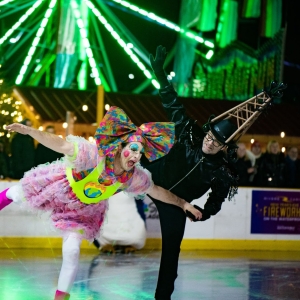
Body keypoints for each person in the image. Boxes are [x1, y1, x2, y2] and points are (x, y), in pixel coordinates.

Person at [0, 106, 201, 300]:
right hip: (59, 186)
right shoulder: (94, 155)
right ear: (120, 147)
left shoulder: (133, 177)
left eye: (140, 153)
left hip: (82, 212)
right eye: (132, 149)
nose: (136, 156)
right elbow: (60, 144)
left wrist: (183, 204)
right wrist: (29, 131)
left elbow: (156, 191)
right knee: (16, 194)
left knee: (71, 251)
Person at [141, 45, 240, 299]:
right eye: (210, 135)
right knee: (120, 160)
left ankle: (162, 297)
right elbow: (172, 102)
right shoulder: (189, 135)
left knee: (171, 252)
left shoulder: (220, 173)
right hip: (152, 178)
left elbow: (215, 201)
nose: (209, 141)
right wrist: (160, 73)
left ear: (223, 147)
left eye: (216, 141)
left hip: (177, 204)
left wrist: (204, 214)